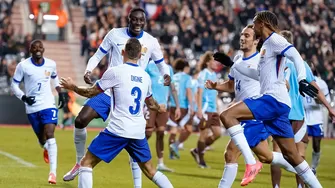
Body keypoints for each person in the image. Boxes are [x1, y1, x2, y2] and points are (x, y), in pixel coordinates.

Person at [63, 8, 171, 186]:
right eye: (134, 20)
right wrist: (89, 70)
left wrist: (166, 74)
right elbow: (98, 55)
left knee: (130, 138)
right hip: (108, 89)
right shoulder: (114, 34)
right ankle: (79, 162)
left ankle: (135, 184)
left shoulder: (151, 41)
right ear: (128, 19)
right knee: (81, 120)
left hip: (128, 91)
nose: (137, 23)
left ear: (145, 22)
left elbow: (161, 63)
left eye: (140, 21)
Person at [217, 11, 322, 187]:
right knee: (292, 156)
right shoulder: (266, 46)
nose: (253, 27)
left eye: (254, 23)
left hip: (272, 100)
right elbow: (257, 74)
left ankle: (251, 162)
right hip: (280, 105)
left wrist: (302, 78)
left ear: (262, 23)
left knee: (227, 116)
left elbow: (296, 56)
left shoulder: (275, 40)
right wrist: (232, 64)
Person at [207, 25, 296, 188]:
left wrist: (282, 84)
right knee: (267, 157)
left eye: (247, 35)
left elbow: (283, 83)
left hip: (254, 115)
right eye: (241, 34)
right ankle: (302, 169)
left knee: (231, 152)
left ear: (256, 41)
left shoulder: (261, 60)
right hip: (241, 115)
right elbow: (232, 86)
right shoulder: (239, 61)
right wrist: (216, 86)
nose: (242, 38)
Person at [271, 30, 335, 188]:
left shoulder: (274, 62)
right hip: (298, 116)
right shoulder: (301, 64)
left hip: (281, 114)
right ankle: (301, 186)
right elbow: (316, 89)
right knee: (299, 155)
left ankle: (276, 187)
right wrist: (330, 108)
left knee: (277, 155)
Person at [11, 40, 66, 184]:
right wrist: (24, 97)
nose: (38, 49)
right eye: (35, 47)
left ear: (44, 49)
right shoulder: (23, 66)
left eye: (40, 47)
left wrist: (60, 93)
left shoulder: (51, 64)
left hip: (48, 104)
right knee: (42, 140)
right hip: (32, 107)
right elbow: (14, 85)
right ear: (30, 50)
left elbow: (55, 79)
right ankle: (45, 147)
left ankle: (52, 173)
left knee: (50, 134)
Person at [144, 59, 180, 172]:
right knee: (148, 132)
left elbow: (172, 88)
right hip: (150, 105)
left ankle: (160, 163)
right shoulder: (148, 66)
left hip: (163, 106)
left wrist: (177, 106)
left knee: (161, 132)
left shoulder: (168, 68)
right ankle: (135, 156)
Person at [189, 51, 221, 168]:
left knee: (218, 133)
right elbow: (199, 92)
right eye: (214, 60)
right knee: (204, 134)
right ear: (208, 62)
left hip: (213, 109)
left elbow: (215, 93)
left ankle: (197, 150)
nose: (216, 63)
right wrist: (199, 110)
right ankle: (201, 161)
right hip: (205, 108)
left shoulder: (214, 75)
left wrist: (217, 108)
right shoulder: (203, 74)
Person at [304, 62, 330, 175]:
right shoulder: (300, 79)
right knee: (301, 144)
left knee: (316, 144)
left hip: (316, 118)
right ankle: (302, 169)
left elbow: (327, 100)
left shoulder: (321, 83)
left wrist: (318, 100)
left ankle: (313, 167)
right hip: (303, 117)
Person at [168, 58, 194, 159]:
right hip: (183, 106)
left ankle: (172, 151)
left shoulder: (173, 77)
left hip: (173, 105)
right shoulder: (187, 77)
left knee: (173, 129)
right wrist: (191, 106)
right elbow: (188, 91)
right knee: (189, 129)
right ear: (186, 68)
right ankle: (176, 145)